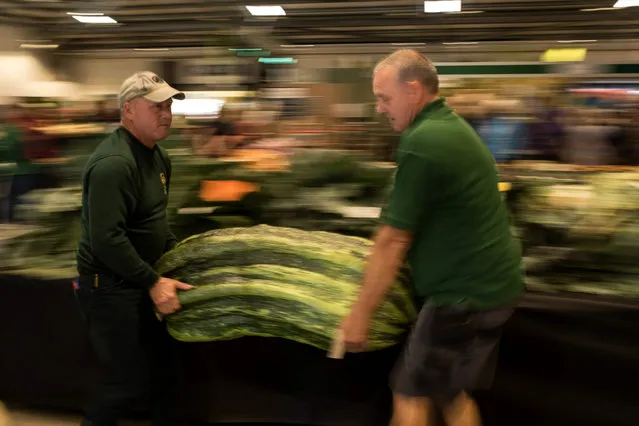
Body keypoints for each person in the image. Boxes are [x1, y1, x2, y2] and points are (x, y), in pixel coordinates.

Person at [340, 50, 524, 426]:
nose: (379, 108)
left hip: (460, 298)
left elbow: (393, 239)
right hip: (493, 289)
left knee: (411, 395)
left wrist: (360, 314)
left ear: (413, 90)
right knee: (450, 393)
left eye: (384, 97)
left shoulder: (423, 141)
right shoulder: (450, 126)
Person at [74, 71, 193, 426]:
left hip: (140, 280)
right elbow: (106, 240)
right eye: (157, 106)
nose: (167, 113)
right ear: (128, 110)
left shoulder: (158, 157)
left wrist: (181, 255)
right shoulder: (114, 164)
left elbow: (154, 221)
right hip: (109, 287)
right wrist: (153, 281)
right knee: (125, 384)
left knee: (163, 375)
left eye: (169, 105)